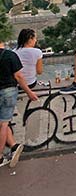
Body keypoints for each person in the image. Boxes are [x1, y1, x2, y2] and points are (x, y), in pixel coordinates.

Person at [0, 27, 38, 169]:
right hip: (9, 91)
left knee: (2, 123)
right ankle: (3, 154)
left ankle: (14, 146)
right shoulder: (10, 55)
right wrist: (29, 92)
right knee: (4, 124)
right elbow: (19, 76)